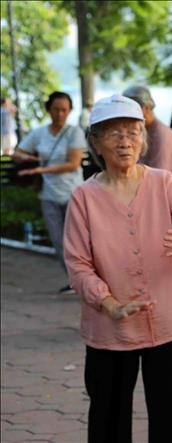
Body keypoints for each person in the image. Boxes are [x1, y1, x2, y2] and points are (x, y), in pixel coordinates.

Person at [63, 94, 172, 442]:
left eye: (133, 132)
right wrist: (109, 303)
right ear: (95, 142)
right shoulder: (83, 197)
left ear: (144, 139)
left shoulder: (162, 181)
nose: (125, 141)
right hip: (109, 325)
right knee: (108, 417)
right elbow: (77, 264)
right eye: (113, 133)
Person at [122, 86, 172, 308]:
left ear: (146, 108)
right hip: (164, 195)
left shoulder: (162, 135)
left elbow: (158, 176)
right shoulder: (143, 132)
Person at [13, 91, 86, 294]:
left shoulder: (74, 133)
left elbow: (73, 164)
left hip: (73, 193)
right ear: (49, 109)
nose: (60, 114)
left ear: (70, 111)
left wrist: (41, 169)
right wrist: (27, 158)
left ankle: (86, 280)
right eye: (56, 109)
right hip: (49, 195)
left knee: (78, 240)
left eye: (64, 110)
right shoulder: (40, 133)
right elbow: (18, 152)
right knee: (58, 241)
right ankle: (74, 280)